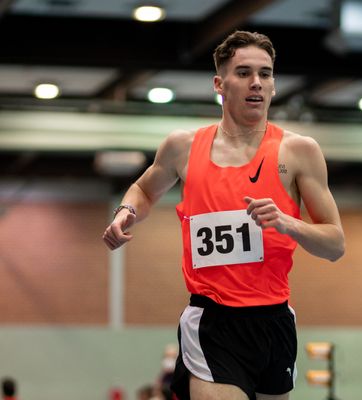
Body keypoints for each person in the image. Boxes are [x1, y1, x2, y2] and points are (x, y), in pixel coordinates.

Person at [102, 30, 345, 400]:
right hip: (212, 321)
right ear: (220, 83)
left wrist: (287, 222)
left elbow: (335, 245)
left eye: (265, 74)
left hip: (274, 321)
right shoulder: (183, 147)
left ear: (274, 85)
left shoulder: (298, 152)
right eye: (244, 72)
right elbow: (145, 189)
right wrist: (126, 212)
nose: (256, 83)